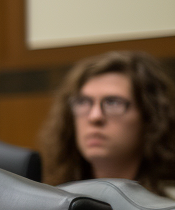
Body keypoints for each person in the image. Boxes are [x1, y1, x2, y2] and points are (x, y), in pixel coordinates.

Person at [40, 50, 175, 195]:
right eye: (83, 102)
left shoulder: (169, 207)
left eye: (113, 102)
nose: (94, 116)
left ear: (150, 117)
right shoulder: (53, 199)